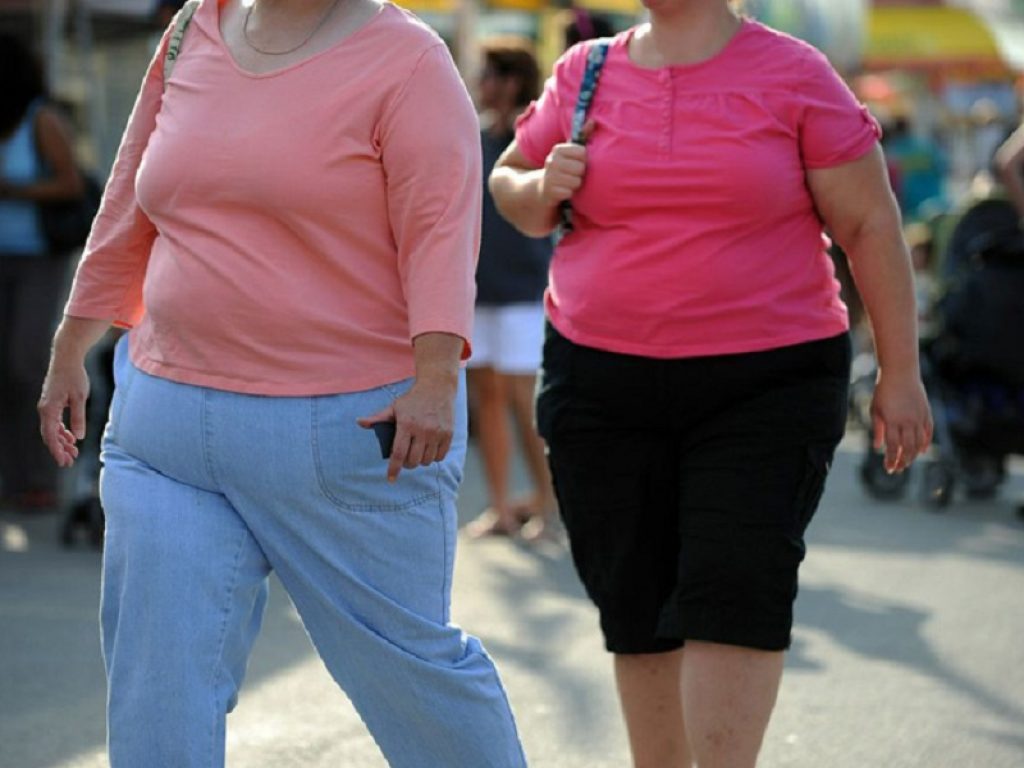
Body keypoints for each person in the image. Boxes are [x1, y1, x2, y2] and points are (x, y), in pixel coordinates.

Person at [37, 1, 525, 766]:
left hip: (344, 430)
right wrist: (74, 339)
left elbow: (440, 230)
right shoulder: (193, 29)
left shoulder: (409, 61)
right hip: (165, 431)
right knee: (156, 684)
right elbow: (130, 195)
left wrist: (436, 378)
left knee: (410, 676)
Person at [489, 0, 933, 766]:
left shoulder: (795, 74)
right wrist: (537, 190)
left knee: (735, 589)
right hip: (600, 381)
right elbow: (511, 181)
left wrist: (902, 372)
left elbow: (869, 224)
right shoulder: (586, 71)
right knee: (634, 602)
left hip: (766, 385)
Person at [466, 37, 557, 540]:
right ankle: (500, 508)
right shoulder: (473, 135)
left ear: (511, 81)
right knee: (487, 401)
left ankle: (548, 506)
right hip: (477, 289)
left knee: (525, 404)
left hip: (524, 290)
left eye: (487, 74)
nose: (479, 83)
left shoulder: (537, 136)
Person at [0, 34, 85, 510]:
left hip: (37, 258)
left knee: (26, 362)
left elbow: (71, 184)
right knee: (3, 369)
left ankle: (42, 476)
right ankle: (13, 479)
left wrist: (14, 191)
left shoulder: (41, 120)